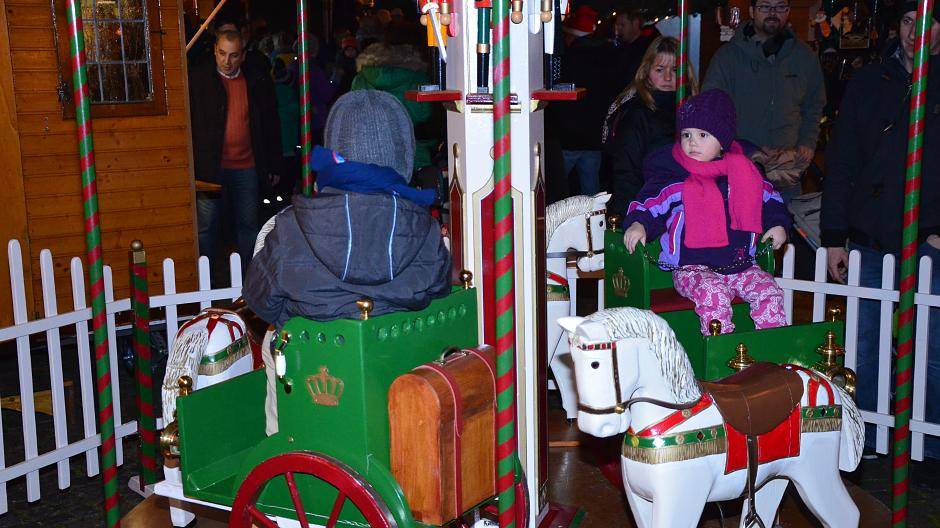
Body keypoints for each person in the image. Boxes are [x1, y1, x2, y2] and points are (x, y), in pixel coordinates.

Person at [822, 1, 940, 457]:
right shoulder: (870, 83)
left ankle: (927, 441)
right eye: (908, 22)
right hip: (871, 235)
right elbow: (842, 161)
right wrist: (835, 236)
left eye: (926, 23)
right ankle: (868, 433)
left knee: (930, 344)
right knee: (865, 342)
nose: (915, 32)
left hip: (928, 237)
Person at [243, 90, 451, 326]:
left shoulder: (290, 228)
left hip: (316, 348)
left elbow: (259, 299)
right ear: (404, 154)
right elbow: (440, 292)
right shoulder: (426, 229)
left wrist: (302, 325)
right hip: (400, 346)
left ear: (334, 149)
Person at [622, 90, 791, 335]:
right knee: (714, 294)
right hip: (692, 268)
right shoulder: (673, 178)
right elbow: (650, 204)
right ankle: (720, 351)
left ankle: (770, 349)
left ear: (722, 141)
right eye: (686, 134)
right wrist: (639, 223)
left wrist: (777, 223)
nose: (692, 142)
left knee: (769, 290)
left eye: (703, 135)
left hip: (739, 264)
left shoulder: (744, 173)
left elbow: (771, 199)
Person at [703, 0, 825, 203]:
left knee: (785, 222)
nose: (773, 13)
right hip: (740, 168)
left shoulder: (805, 57)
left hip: (787, 172)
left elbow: (814, 104)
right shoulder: (727, 57)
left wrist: (808, 142)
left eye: (780, 7)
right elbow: (710, 108)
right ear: (752, 11)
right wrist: (736, 151)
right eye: (765, 6)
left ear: (788, 11)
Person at [189, 29, 282, 273]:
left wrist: (273, 163)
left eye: (233, 55)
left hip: (247, 165)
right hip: (209, 167)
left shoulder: (256, 81)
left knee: (248, 226)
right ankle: (206, 279)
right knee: (206, 227)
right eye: (222, 54)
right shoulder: (199, 80)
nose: (227, 61)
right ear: (214, 51)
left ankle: (249, 279)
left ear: (243, 55)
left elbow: (270, 123)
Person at [602, 37, 697, 215]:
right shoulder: (636, 114)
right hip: (648, 210)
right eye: (659, 70)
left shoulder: (693, 111)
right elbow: (626, 174)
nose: (668, 77)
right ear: (647, 71)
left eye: (675, 70)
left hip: (685, 206)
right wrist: (632, 217)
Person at [547, 5, 620, 196]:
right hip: (594, 137)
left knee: (556, 190)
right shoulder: (609, 55)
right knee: (591, 191)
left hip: (569, 138)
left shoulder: (568, 58)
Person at [612, 10, 659, 91]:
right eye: (617, 25)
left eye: (622, 25)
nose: (618, 29)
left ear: (635, 23)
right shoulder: (619, 48)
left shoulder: (647, 48)